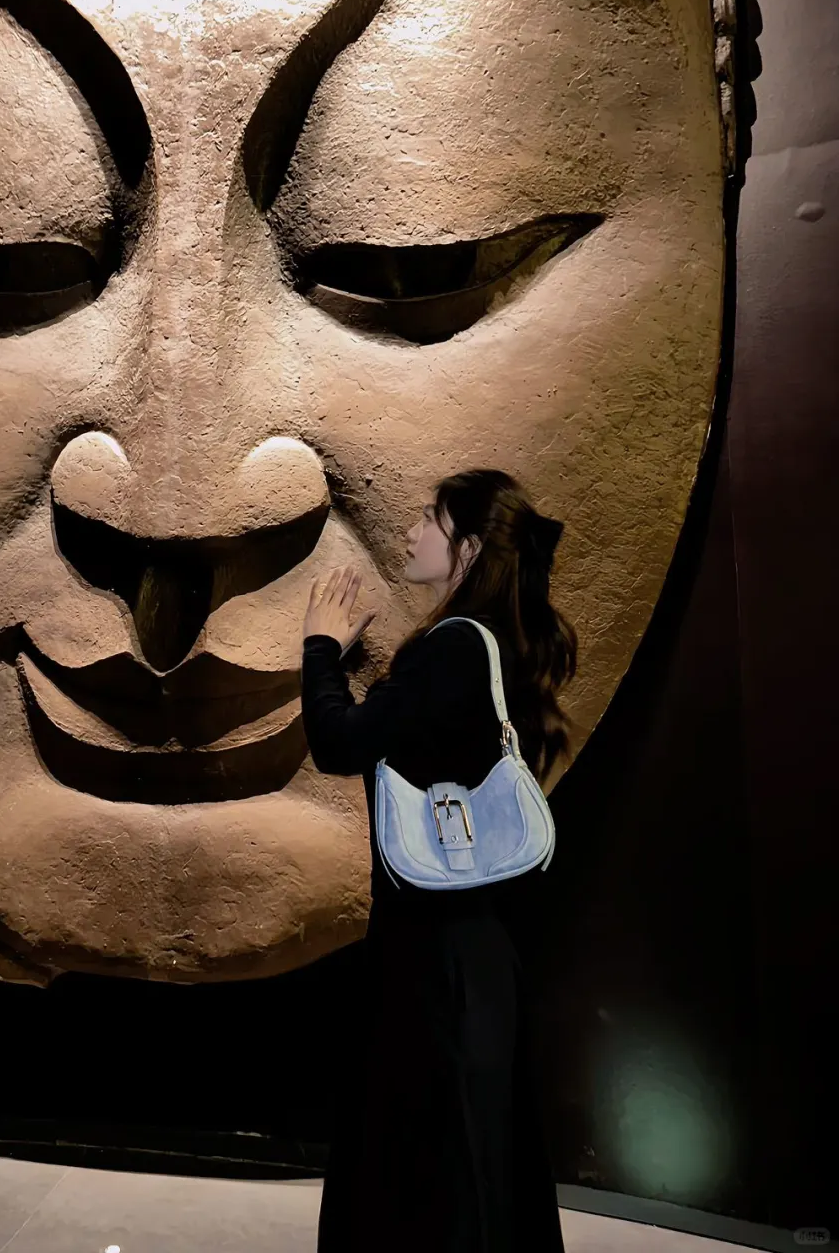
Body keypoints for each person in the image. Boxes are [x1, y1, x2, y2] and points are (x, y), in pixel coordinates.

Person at [301, 467, 577, 1253]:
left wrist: (319, 645)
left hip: (433, 963)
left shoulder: (455, 648)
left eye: (431, 518)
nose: (413, 530)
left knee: (428, 1174)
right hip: (476, 954)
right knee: (473, 1165)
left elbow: (340, 743)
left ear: (470, 547)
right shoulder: (500, 647)